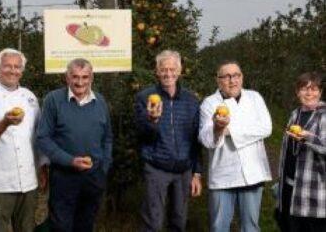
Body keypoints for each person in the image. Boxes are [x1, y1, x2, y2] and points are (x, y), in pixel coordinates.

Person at [0, 48, 47, 232]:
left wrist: (43, 166)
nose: (13, 71)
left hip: (28, 181)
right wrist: (4, 122)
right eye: (7, 66)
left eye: (17, 66)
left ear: (22, 70)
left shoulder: (30, 97)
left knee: (27, 228)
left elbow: (39, 135)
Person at [36, 58, 113, 232]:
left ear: (91, 78)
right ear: (67, 77)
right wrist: (70, 161)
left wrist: (104, 166)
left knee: (86, 224)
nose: (80, 82)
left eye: (85, 77)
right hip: (64, 176)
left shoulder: (100, 101)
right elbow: (43, 138)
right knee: (61, 226)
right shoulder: (53, 100)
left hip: (94, 177)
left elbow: (107, 137)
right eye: (75, 77)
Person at [199, 60, 272, 232]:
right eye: (227, 76)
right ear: (218, 80)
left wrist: (228, 130)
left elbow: (266, 128)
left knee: (251, 227)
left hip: (252, 173)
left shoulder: (255, 98)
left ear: (242, 78)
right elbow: (206, 139)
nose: (232, 80)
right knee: (219, 227)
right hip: (223, 176)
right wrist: (217, 128)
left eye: (236, 75)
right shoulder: (209, 103)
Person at [135, 50, 202, 232]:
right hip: (156, 168)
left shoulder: (191, 100)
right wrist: (152, 120)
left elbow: (197, 138)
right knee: (152, 222)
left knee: (179, 222)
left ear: (179, 71)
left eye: (172, 69)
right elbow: (141, 134)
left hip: (184, 170)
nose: (168, 73)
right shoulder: (145, 98)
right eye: (163, 69)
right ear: (157, 71)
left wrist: (197, 173)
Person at [276, 72, 326, 232]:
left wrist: (308, 138)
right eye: (304, 89)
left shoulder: (324, 116)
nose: (309, 93)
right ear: (297, 92)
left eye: (314, 89)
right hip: (290, 188)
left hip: (313, 192)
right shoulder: (295, 114)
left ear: (320, 92)